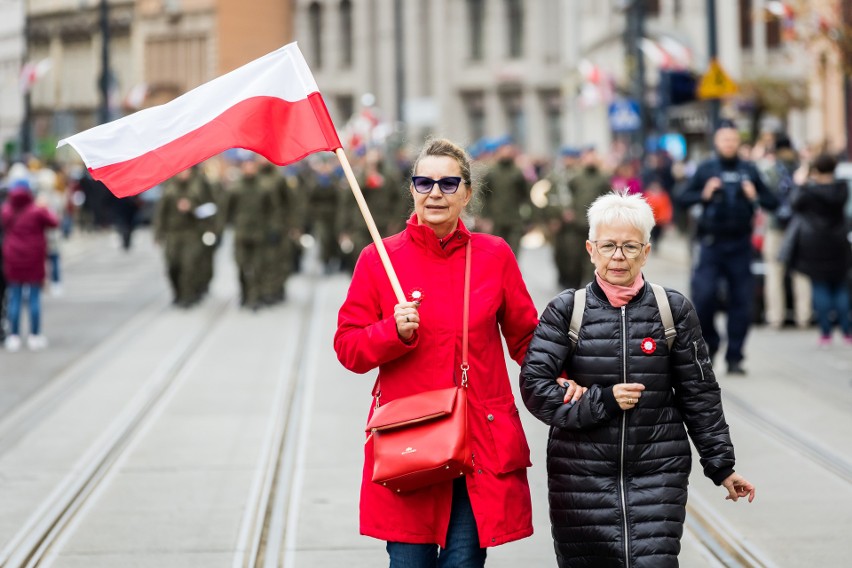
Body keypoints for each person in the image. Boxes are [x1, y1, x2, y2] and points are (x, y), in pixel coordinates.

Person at [334, 138, 554, 567]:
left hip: (477, 445)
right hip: (409, 448)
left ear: (467, 193)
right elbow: (348, 347)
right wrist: (390, 332)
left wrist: (568, 379)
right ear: (412, 190)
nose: (435, 193)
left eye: (449, 183)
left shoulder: (494, 256)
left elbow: (528, 339)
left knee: (465, 562)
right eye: (425, 182)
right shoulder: (379, 259)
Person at [520, 190, 756, 568]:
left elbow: (700, 393)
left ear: (646, 252)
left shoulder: (672, 310)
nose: (618, 256)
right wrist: (603, 401)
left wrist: (722, 466)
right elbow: (536, 389)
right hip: (580, 477)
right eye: (609, 245)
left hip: (658, 470)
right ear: (590, 249)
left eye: (630, 247)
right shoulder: (567, 310)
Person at [676, 120, 778, 374]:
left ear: (738, 142)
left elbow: (773, 202)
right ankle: (711, 343)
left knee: (741, 301)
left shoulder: (749, 170)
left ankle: (735, 356)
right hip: (711, 244)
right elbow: (681, 197)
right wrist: (705, 194)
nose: (729, 145)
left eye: (733, 140)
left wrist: (755, 196)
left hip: (740, 246)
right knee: (704, 297)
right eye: (725, 140)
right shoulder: (706, 169)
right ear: (717, 142)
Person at [784, 153, 851, 346]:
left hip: (813, 244)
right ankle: (847, 331)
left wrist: (800, 182)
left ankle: (826, 333)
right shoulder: (842, 189)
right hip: (838, 242)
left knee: (820, 287)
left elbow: (794, 204)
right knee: (840, 287)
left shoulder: (809, 191)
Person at [758, 134, 811, 329]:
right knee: (802, 272)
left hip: (775, 227)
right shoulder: (802, 170)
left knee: (774, 271)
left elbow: (763, 199)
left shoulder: (771, 171)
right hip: (801, 227)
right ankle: (803, 316)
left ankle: (775, 317)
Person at [2, 178, 59, 351]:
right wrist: (46, 207)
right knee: (34, 297)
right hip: (34, 257)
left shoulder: (6, 210)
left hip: (12, 257)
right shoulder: (37, 211)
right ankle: (35, 335)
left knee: (15, 298)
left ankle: (14, 336)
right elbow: (54, 222)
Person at [479, 138, 530, 256]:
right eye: (503, 150)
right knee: (497, 253)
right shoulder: (491, 172)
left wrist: (527, 218)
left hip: (514, 219)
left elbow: (525, 196)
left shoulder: (517, 172)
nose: (506, 152)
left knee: (513, 253)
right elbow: (484, 196)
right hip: (496, 220)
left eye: (509, 150)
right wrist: (485, 218)